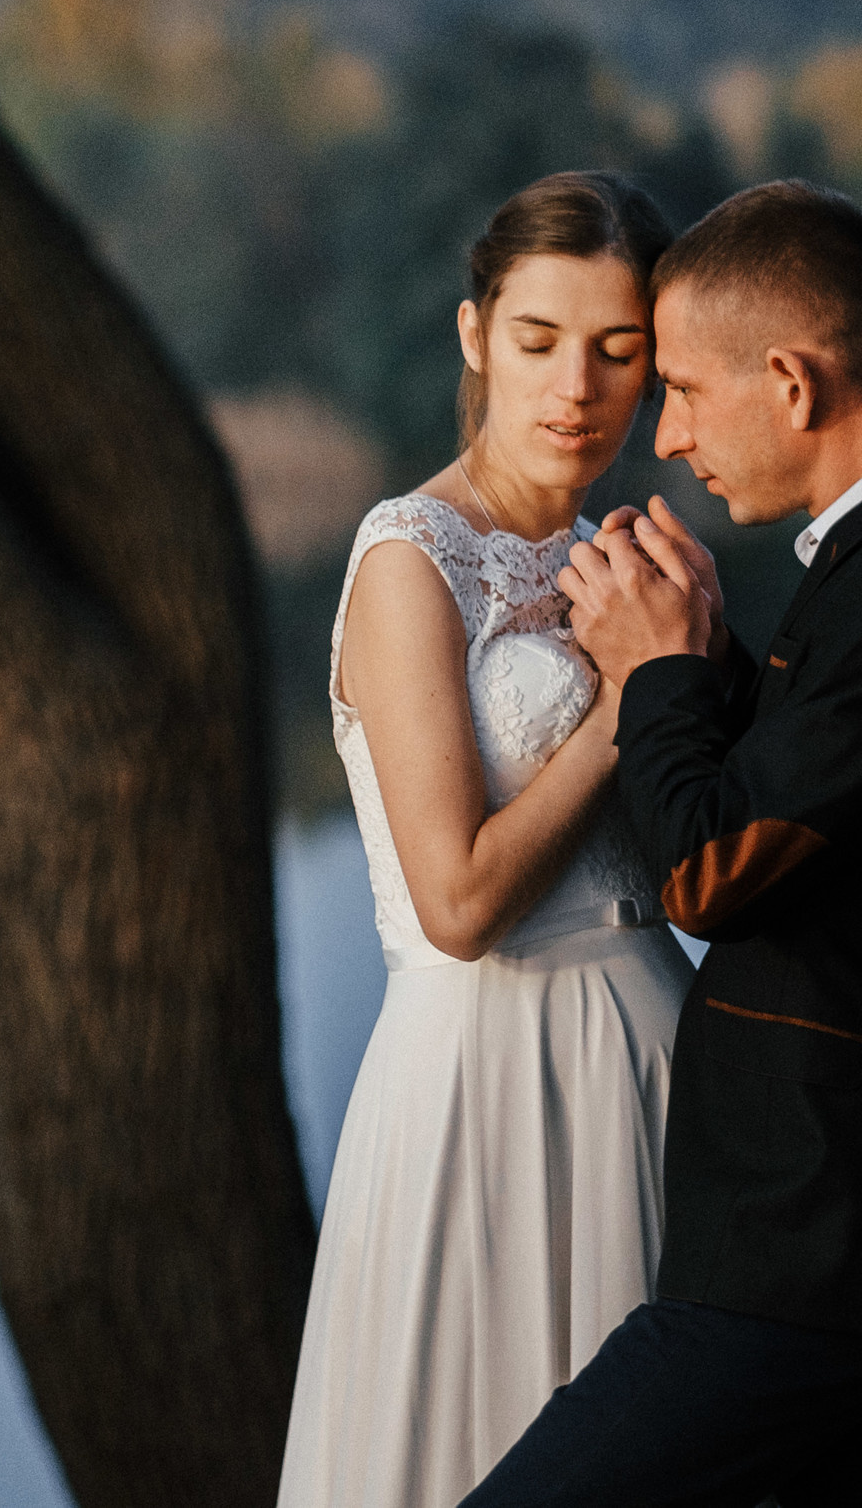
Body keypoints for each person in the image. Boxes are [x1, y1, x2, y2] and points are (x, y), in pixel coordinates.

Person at [460, 180, 862, 1508]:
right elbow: (825, 805)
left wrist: (659, 674)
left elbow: (712, 869)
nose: (667, 437)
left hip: (824, 1251)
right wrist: (708, 651)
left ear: (790, 383)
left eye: (679, 389)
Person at [276, 172, 699, 1508]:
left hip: (660, 1067)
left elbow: (694, 862)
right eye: (537, 341)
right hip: (485, 1079)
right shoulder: (410, 561)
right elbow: (457, 902)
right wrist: (636, 702)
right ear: (475, 337)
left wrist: (694, 660)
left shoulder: (625, 559)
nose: (575, 384)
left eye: (616, 350)